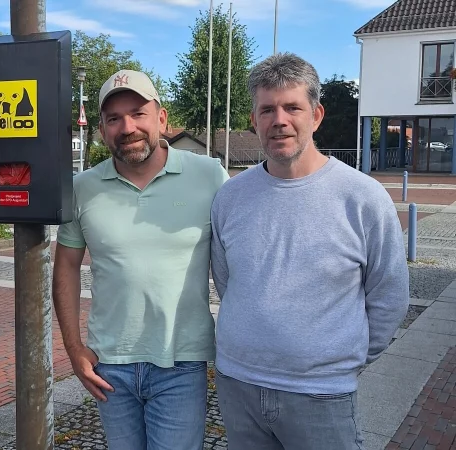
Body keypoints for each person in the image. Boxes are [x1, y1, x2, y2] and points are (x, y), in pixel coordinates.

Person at [210, 52, 409, 450]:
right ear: (254, 120)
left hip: (322, 394)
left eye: (292, 107)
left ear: (315, 116)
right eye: (267, 109)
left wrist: (336, 360)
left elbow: (389, 296)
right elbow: (227, 279)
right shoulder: (230, 197)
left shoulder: (363, 198)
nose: (279, 120)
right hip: (239, 385)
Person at [53, 69, 229, 450]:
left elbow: (242, 255)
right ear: (101, 129)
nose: (127, 127)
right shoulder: (83, 188)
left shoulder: (209, 175)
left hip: (181, 361)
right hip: (109, 363)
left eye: (138, 113)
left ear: (161, 118)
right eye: (114, 118)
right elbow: (65, 265)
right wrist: (74, 350)